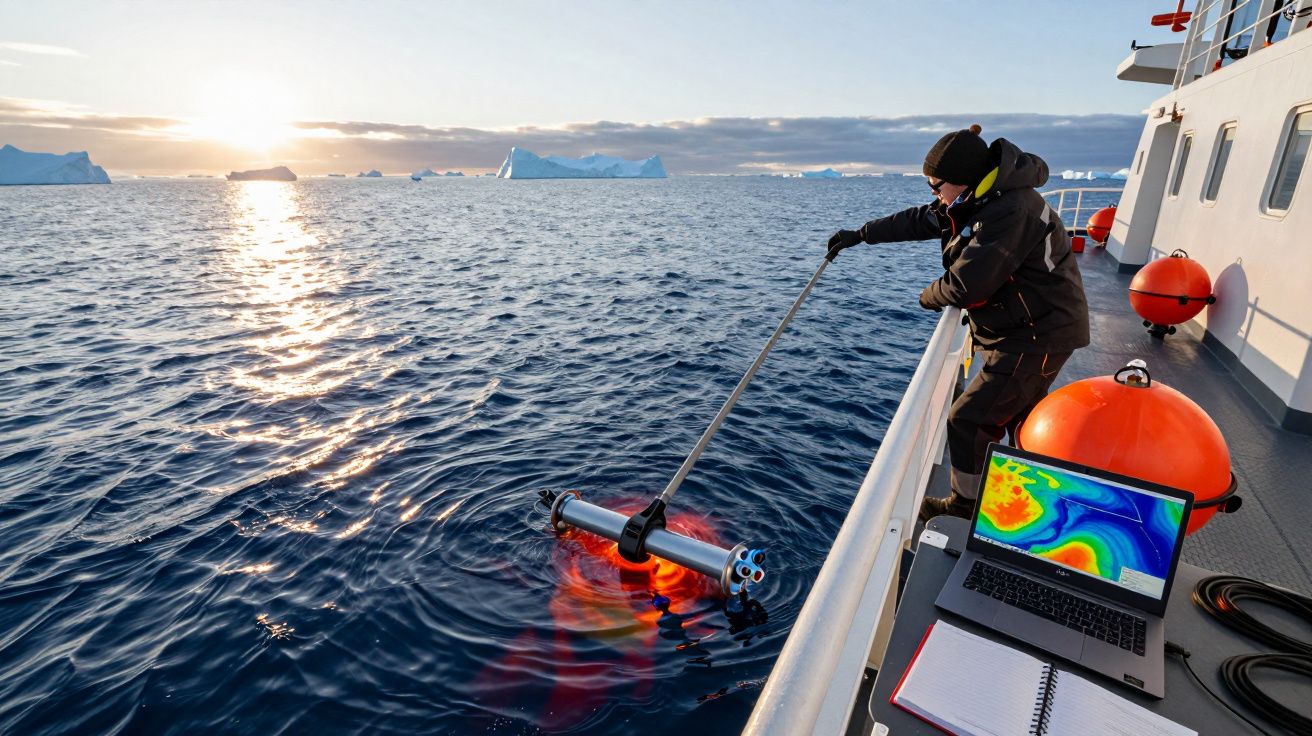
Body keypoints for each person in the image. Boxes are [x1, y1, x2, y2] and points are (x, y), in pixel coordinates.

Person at [825, 124, 1090, 521]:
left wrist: (925, 296)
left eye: (935, 185)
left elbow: (966, 284)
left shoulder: (1009, 209)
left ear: (961, 180)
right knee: (1017, 414)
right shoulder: (980, 197)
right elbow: (923, 220)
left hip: (1037, 332)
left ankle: (965, 507)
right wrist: (862, 235)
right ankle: (1023, 495)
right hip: (1022, 324)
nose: (932, 193)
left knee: (969, 419)